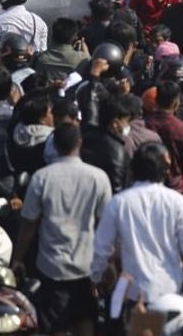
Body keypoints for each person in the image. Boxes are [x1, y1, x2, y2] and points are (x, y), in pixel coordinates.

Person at [15, 122, 111, 336]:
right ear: (80, 143)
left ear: (54, 145)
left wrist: (18, 258)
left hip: (52, 266)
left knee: (55, 325)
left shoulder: (42, 178)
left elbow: (29, 224)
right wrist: (107, 263)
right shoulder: (98, 177)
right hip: (86, 265)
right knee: (85, 320)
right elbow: (106, 226)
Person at [90, 143, 183, 304]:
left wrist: (96, 276)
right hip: (170, 288)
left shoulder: (119, 202)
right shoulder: (176, 201)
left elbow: (102, 246)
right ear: (164, 170)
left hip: (134, 292)